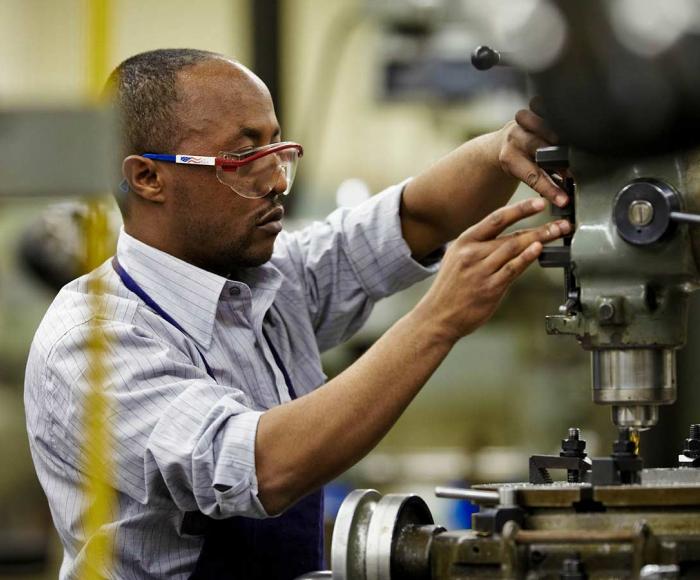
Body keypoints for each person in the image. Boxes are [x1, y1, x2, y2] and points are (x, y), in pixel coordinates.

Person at [24, 48, 569, 579]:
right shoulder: (94, 342)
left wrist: (505, 146)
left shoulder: (267, 280)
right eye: (244, 160)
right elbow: (263, 468)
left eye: (278, 150)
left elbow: (415, 218)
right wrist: (439, 320)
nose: (276, 181)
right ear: (148, 177)